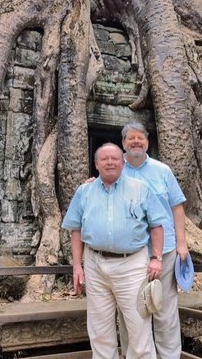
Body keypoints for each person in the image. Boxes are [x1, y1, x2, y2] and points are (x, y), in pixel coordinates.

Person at [62, 142, 166, 359]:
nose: (110, 162)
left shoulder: (140, 189)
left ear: (123, 162)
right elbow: (75, 229)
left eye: (115, 158)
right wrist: (77, 266)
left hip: (132, 265)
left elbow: (157, 225)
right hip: (95, 264)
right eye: (105, 159)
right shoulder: (85, 191)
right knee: (100, 329)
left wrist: (156, 258)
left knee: (139, 326)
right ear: (96, 164)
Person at [121, 123, 188, 359]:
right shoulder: (115, 168)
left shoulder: (162, 170)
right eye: (131, 138)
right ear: (124, 143)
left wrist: (182, 243)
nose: (136, 142)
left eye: (140, 138)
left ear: (147, 142)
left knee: (165, 308)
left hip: (167, 249)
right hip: (130, 251)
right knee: (132, 309)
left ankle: (169, 356)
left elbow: (177, 207)